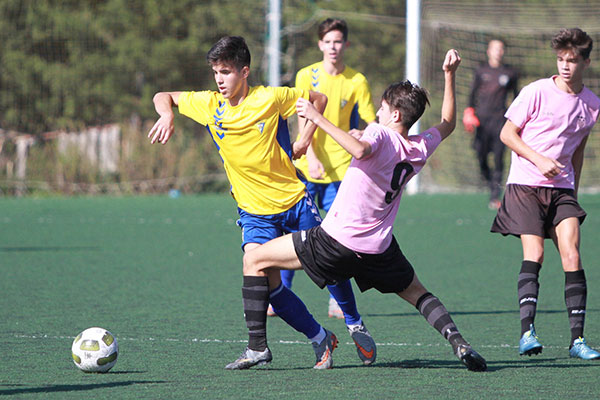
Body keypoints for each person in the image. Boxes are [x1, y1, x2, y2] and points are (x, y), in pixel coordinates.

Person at [228, 48, 488, 372]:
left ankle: (258, 347)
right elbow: (448, 123)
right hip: (379, 250)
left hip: (336, 243)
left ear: (395, 114)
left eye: (382, 108)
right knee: (419, 294)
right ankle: (459, 343)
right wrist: (450, 75)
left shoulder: (379, 133)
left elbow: (363, 148)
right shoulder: (419, 147)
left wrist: (317, 117)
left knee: (254, 259)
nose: (378, 113)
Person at [147, 36, 376, 369]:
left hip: (294, 201)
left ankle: (353, 322)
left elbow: (320, 98)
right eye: (215, 73)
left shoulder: (270, 97)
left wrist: (304, 139)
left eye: (225, 72)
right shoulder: (209, 105)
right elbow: (162, 95)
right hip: (254, 213)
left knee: (330, 267)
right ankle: (314, 339)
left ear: (244, 71)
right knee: (263, 283)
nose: (219, 80)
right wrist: (167, 115)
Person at [491, 28, 600, 360]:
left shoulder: (592, 104)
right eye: (561, 59)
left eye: (572, 60)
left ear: (586, 61)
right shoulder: (536, 91)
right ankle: (527, 333)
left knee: (572, 255)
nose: (566, 66)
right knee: (535, 254)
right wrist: (538, 158)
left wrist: (574, 190)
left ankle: (577, 340)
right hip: (525, 185)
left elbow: (578, 149)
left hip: (562, 189)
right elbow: (507, 133)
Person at [273, 18, 377, 320]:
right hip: (307, 167)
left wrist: (365, 134)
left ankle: (338, 301)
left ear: (346, 44)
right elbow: (305, 119)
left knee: (337, 238)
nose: (333, 47)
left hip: (343, 170)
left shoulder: (357, 80)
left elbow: (370, 120)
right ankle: (282, 295)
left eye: (338, 41)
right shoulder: (307, 75)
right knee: (295, 233)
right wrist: (314, 156)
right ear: (320, 44)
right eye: (328, 41)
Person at [463, 39, 519, 210]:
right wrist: (468, 112)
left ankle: (495, 195)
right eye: (495, 48)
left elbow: (517, 99)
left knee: (499, 158)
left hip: (500, 121)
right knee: (480, 155)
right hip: (481, 121)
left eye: (501, 48)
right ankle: (490, 183)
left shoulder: (510, 73)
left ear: (504, 51)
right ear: (489, 51)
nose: (498, 52)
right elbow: (472, 94)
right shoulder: (481, 71)